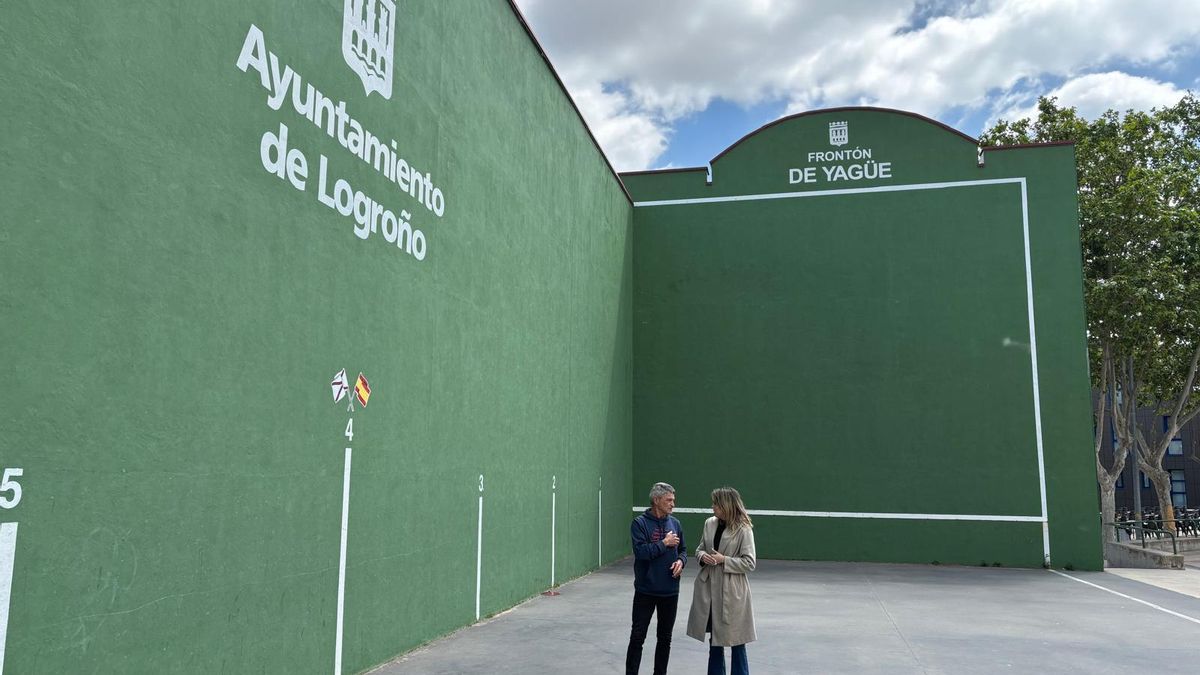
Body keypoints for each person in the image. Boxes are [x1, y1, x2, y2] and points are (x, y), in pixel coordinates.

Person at [687, 487, 756, 675]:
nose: (713, 507)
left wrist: (723, 560)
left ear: (726, 505)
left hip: (733, 592)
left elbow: (749, 563)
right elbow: (700, 549)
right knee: (715, 641)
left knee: (737, 641)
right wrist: (703, 557)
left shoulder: (743, 528)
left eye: (716, 504)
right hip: (709, 589)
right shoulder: (710, 523)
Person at [627, 481, 687, 675]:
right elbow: (641, 552)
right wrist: (664, 543)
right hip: (645, 591)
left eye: (673, 500)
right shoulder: (639, 524)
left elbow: (684, 551)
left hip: (670, 591)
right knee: (637, 637)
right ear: (656, 500)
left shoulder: (675, 523)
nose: (672, 504)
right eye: (669, 500)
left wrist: (681, 562)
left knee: (665, 638)